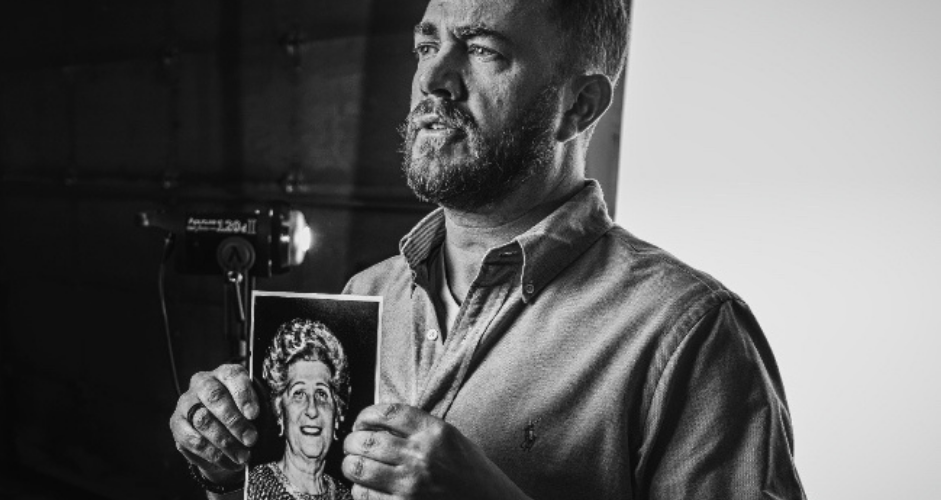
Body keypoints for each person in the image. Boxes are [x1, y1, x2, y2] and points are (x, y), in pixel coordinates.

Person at [169, 0, 806, 498]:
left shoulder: (686, 335)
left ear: (578, 106)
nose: (433, 80)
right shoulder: (366, 297)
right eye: (427, 45)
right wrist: (232, 473)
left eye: (481, 49)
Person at [247, 319, 354, 500]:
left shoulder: (346, 495)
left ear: (337, 414)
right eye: (298, 394)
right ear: (280, 411)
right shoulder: (256, 485)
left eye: (321, 394)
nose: (312, 410)